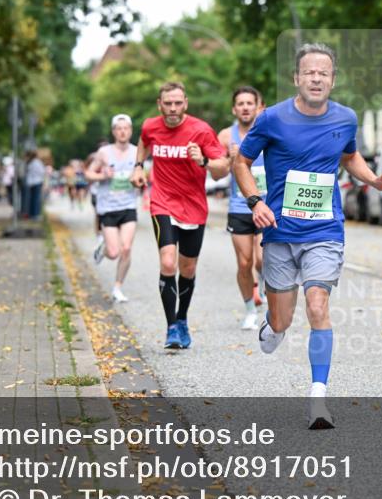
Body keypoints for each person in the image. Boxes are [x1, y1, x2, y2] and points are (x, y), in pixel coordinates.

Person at [233, 43, 382, 429]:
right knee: (281, 321)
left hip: (325, 230)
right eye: (309, 72)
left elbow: (348, 156)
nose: (316, 78)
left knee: (318, 304)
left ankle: (318, 398)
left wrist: (375, 179)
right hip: (278, 232)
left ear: (333, 79)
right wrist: (255, 201)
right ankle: (271, 327)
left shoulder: (346, 118)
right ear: (296, 78)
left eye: (323, 73)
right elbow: (241, 162)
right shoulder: (272, 119)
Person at [129, 81, 228, 349]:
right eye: (167, 103)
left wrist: (204, 161)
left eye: (177, 103)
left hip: (194, 206)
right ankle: (171, 326)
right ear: (159, 104)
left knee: (188, 267)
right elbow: (143, 142)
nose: (172, 109)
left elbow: (223, 169)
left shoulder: (201, 131)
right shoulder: (151, 126)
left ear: (185, 103)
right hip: (162, 202)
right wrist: (138, 166)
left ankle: (182, 319)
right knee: (168, 262)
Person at [218, 86, 268, 330]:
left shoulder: (269, 131)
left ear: (259, 107)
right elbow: (215, 173)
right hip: (239, 207)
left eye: (250, 103)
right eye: (241, 103)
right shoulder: (227, 136)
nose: (245, 107)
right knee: (244, 263)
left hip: (265, 206)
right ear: (234, 109)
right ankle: (250, 309)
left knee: (262, 259)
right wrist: (230, 159)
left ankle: (266, 285)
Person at [86, 117, 139, 302]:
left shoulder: (137, 152)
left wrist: (140, 179)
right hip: (107, 207)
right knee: (114, 252)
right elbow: (88, 174)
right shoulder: (104, 152)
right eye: (119, 128)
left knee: (126, 248)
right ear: (114, 131)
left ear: (131, 130)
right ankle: (103, 249)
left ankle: (118, 287)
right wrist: (102, 175)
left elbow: (144, 174)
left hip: (128, 206)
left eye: (126, 128)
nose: (122, 132)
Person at [86, 139, 109, 259]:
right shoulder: (93, 158)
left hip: (110, 194)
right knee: (98, 214)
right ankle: (99, 236)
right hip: (96, 192)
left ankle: (107, 237)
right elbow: (87, 173)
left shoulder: (113, 157)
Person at [24, 150, 46, 219]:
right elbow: (42, 172)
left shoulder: (31, 162)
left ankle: (32, 213)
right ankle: (35, 214)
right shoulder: (37, 162)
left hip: (31, 182)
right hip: (37, 181)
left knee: (32, 199)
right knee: (36, 199)